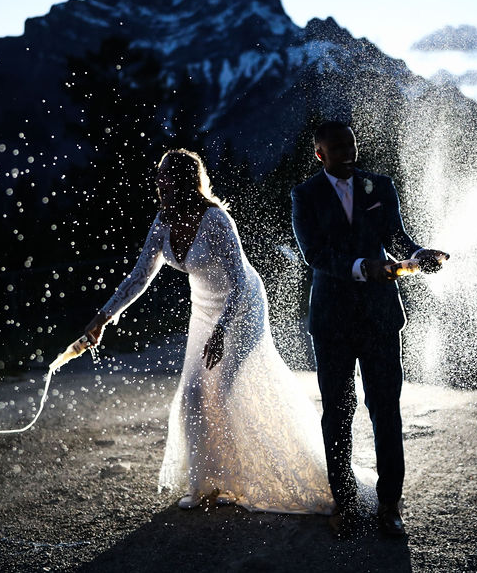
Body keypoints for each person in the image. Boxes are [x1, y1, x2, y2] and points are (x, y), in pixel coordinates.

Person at [83, 149, 344, 514]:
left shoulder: (216, 219)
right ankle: (206, 483)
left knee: (224, 389)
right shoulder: (163, 221)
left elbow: (239, 280)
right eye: (159, 176)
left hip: (242, 304)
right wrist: (101, 319)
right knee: (193, 393)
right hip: (204, 308)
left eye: (167, 176)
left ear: (186, 181)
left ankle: (241, 480)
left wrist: (222, 331)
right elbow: (140, 276)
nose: (160, 182)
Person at [290, 121, 448, 539]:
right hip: (332, 322)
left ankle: (389, 504)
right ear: (319, 152)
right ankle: (343, 503)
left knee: (385, 409)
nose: (347, 151)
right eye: (337, 146)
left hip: (380, 318)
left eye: (351, 144)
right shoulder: (304, 196)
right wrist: (365, 268)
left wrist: (418, 254)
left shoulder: (380, 186)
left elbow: (395, 234)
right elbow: (315, 255)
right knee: (338, 413)